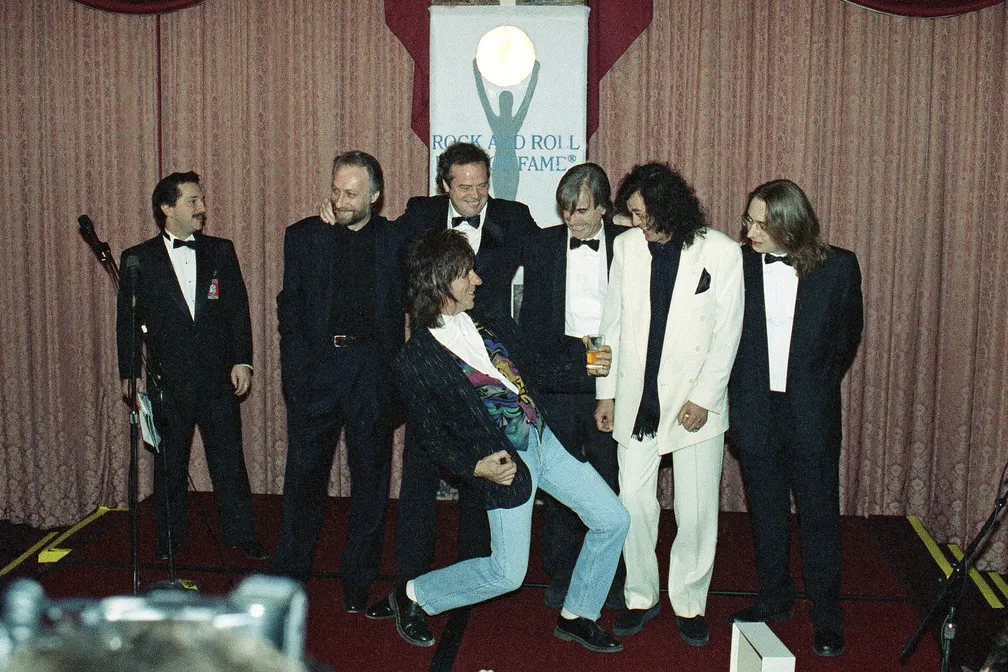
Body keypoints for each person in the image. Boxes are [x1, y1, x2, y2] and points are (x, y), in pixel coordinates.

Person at [389, 228, 629, 653]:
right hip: (505, 465)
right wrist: (474, 467)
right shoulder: (416, 360)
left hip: (544, 440)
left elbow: (534, 369)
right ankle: (413, 595)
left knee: (612, 519)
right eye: (467, 274)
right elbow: (429, 436)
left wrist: (586, 364)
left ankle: (578, 614)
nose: (477, 281)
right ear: (442, 283)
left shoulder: (489, 318)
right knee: (506, 574)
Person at [355, 142, 538, 645]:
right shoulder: (419, 215)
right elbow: (376, 243)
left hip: (486, 369)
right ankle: (407, 587)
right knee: (419, 478)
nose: (476, 195)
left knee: (485, 474)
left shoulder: (515, 218)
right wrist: (339, 220)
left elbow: (557, 250)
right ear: (444, 186)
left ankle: (466, 584)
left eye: (483, 185)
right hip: (434, 367)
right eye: (465, 187)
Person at [594, 162, 743, 647]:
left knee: (695, 511)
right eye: (631, 214)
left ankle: (689, 601)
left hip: (694, 404)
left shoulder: (720, 252)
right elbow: (611, 325)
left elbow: (727, 335)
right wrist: (605, 392)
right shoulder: (625, 247)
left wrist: (705, 398)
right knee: (633, 501)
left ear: (668, 208)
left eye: (641, 214)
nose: (635, 223)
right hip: (637, 401)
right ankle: (641, 594)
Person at [726, 179, 863, 658]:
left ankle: (826, 614)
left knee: (819, 515)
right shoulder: (738, 264)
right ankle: (775, 597)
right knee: (766, 513)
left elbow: (846, 338)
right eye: (748, 221)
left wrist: (812, 386)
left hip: (810, 413)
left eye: (761, 224)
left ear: (791, 224)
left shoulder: (839, 266)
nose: (750, 232)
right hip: (755, 410)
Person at [271, 151, 406, 615]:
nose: (340, 200)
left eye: (351, 193)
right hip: (318, 370)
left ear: (375, 196)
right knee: (303, 479)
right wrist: (295, 371)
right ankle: (289, 579)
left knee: (371, 481)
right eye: (335, 190)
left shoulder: (395, 241)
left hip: (372, 370)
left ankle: (358, 579)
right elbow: (289, 308)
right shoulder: (304, 236)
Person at [116, 171, 266, 562]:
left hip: (218, 377)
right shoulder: (137, 259)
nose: (202, 207)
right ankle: (169, 537)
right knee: (169, 463)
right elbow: (127, 321)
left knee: (229, 460)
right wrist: (129, 373)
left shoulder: (221, 251)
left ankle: (242, 535)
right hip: (168, 379)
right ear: (167, 208)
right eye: (192, 201)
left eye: (201, 200)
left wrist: (243, 360)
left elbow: (238, 310)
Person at [519, 163, 627, 611]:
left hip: (613, 379)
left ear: (604, 208)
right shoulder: (542, 245)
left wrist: (605, 363)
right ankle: (562, 574)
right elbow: (531, 324)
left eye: (581, 210)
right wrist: (574, 352)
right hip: (558, 381)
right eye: (565, 209)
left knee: (610, 482)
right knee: (562, 484)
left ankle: (611, 580)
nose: (571, 219)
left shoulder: (628, 244)